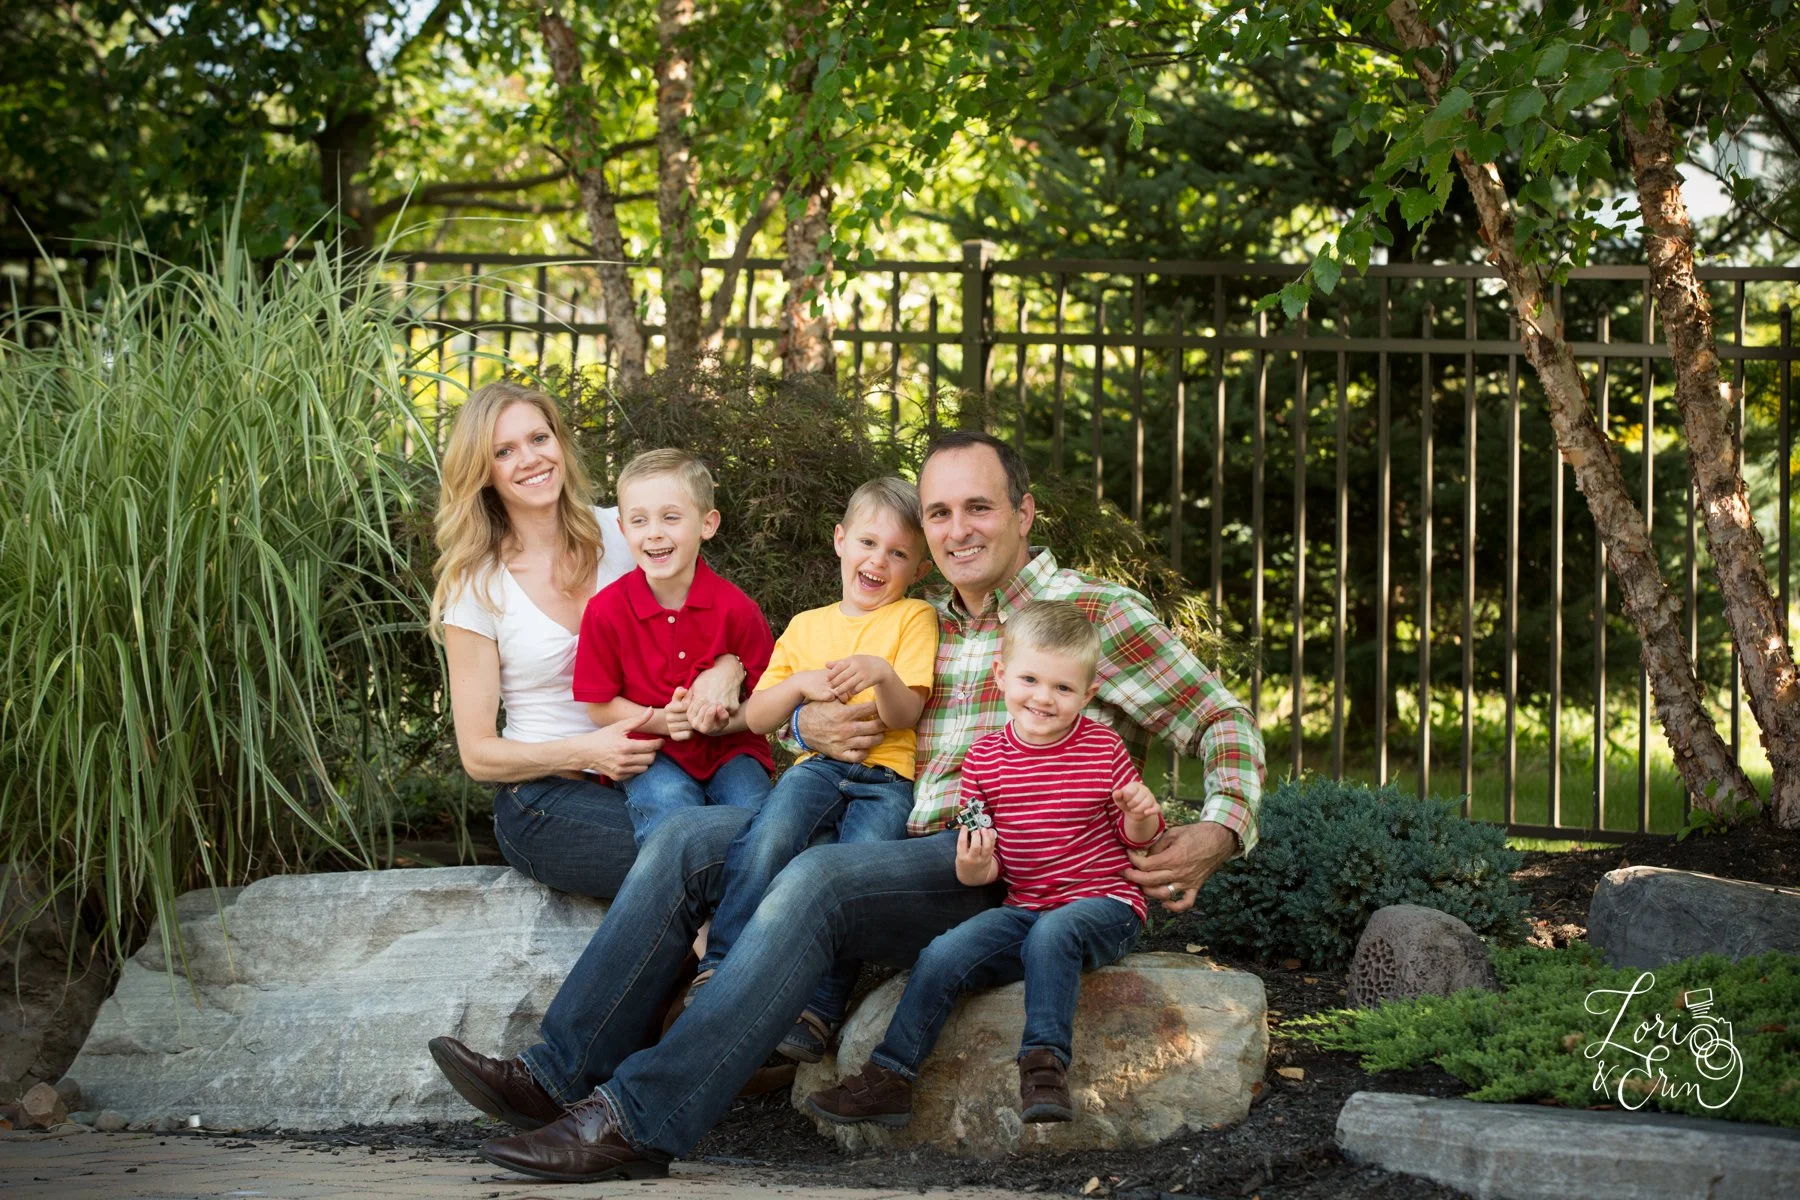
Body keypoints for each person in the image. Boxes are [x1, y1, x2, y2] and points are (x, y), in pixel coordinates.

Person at [438, 431, 1263, 1183]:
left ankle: (637, 1119)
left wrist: (1221, 825)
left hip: (995, 865)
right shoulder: (923, 616)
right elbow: (814, 685)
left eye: (978, 507)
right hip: (880, 822)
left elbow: (1220, 718)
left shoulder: (1092, 617)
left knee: (820, 882)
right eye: (939, 512)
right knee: (689, 836)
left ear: (1024, 512)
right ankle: (554, 1075)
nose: (957, 529)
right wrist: (804, 718)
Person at [804, 599, 1163, 1129]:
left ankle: (1044, 1067)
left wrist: (1140, 816)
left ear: (1088, 694)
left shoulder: (1102, 749)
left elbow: (1142, 840)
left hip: (1104, 904)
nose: (1043, 698)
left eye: (1063, 689)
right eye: (1031, 680)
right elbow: (984, 860)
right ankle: (891, 1078)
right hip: (1026, 905)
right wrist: (975, 870)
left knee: (1054, 933)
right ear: (1001, 675)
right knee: (944, 952)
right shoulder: (984, 759)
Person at [431, 382, 747, 893]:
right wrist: (587, 751)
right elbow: (478, 754)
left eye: (539, 438)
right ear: (483, 472)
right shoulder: (476, 586)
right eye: (504, 451)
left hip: (658, 771)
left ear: (559, 442)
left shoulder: (623, 533)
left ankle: (709, 964)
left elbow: (711, 618)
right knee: (712, 850)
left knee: (736, 838)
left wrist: (727, 666)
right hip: (546, 795)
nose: (529, 459)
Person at [685, 477, 938, 1045]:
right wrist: (798, 684)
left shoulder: (912, 620)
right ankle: (721, 962)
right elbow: (756, 718)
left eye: (898, 553)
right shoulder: (806, 626)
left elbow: (905, 713)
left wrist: (883, 673)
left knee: (858, 868)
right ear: (840, 541)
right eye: (868, 543)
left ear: (919, 570)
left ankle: (820, 1008)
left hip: (888, 778)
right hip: (817, 769)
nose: (879, 561)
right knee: (770, 832)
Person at [572, 448, 774, 843]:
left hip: (730, 751)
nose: (654, 533)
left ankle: (746, 899)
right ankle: (687, 897)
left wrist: (722, 721)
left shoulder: (738, 610)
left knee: (758, 817)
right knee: (671, 811)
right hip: (651, 752)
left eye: (671, 517)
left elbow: (768, 700)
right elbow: (599, 706)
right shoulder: (606, 611)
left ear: (708, 523)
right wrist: (662, 721)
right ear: (622, 529)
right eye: (639, 520)